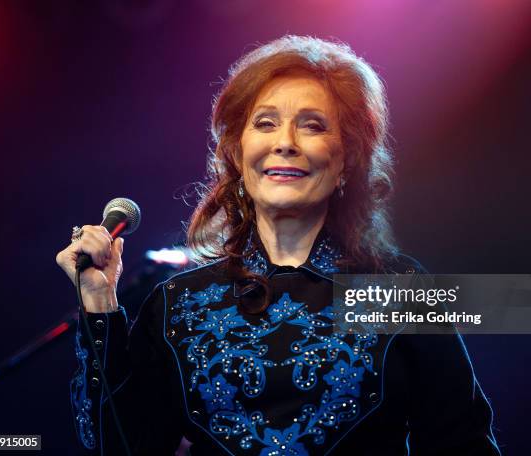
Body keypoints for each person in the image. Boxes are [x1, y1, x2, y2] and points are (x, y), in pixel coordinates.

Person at [57, 35, 501, 455]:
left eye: (312, 126)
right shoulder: (178, 304)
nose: (285, 143)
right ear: (236, 151)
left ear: (347, 159)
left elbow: (462, 443)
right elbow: (120, 445)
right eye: (265, 123)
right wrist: (99, 305)